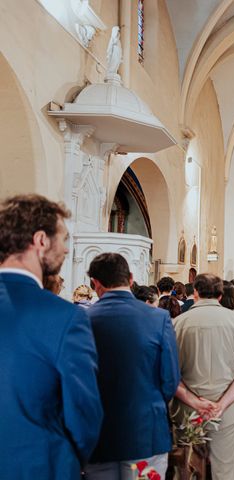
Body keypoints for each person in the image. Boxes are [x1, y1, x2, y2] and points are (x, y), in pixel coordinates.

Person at [0, 194, 103, 478]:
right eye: (64, 239)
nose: (67, 250)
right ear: (41, 240)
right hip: (39, 466)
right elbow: (84, 413)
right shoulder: (64, 317)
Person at [85, 253, 180, 479]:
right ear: (130, 278)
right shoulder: (158, 318)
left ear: (95, 283)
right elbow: (170, 380)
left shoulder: (82, 319)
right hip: (145, 431)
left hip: (98, 434)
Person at [172, 274, 234, 479]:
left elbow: (168, 373)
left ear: (195, 293)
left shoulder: (176, 323)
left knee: (187, 469)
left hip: (188, 409)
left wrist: (194, 401)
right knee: (225, 471)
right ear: (220, 295)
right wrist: (222, 404)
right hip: (225, 409)